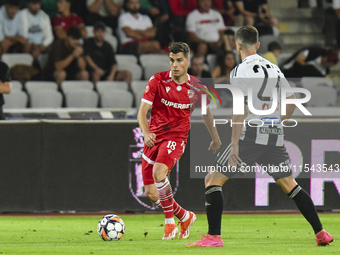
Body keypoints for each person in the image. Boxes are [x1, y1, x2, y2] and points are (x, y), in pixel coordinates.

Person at [187, 25, 333, 247]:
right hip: (274, 135)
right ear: (257, 45)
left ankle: (213, 237)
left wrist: (235, 143)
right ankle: (321, 233)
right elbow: (292, 99)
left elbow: (240, 109)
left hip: (250, 134)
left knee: (212, 180)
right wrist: (276, 121)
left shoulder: (239, 70)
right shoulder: (274, 68)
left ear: (237, 46)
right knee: (290, 185)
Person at [137, 42, 221, 240]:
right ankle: (185, 216)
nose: (175, 65)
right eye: (172, 61)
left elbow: (207, 114)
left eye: (179, 60)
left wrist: (215, 138)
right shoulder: (157, 80)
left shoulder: (197, 87)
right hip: (154, 138)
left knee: (159, 172)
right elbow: (142, 112)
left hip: (176, 137)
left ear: (188, 61)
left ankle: (169, 225)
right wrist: (147, 132)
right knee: (151, 194)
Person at [84, 21, 132, 85]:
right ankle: (97, 91)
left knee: (127, 74)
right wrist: (96, 68)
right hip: (94, 71)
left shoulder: (108, 46)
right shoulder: (88, 42)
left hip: (107, 72)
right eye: (98, 31)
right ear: (94, 32)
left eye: (102, 31)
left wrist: (111, 75)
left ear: (105, 33)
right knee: (96, 74)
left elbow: (114, 64)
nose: (100, 34)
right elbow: (87, 57)